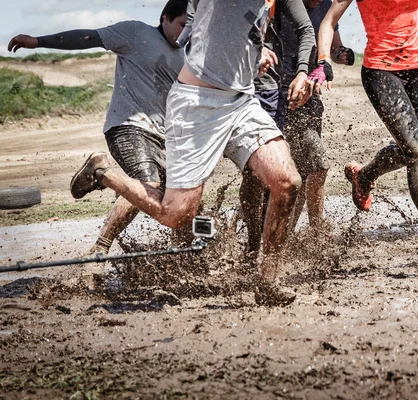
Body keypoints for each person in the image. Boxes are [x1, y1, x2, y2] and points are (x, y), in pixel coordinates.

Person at [69, 0, 303, 307]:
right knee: (177, 214)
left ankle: (266, 281)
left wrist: (253, 50)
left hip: (241, 101)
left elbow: (221, 30)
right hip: (196, 106)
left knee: (286, 181)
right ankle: (101, 174)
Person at [7, 0, 188, 255]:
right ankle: (99, 250)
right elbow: (88, 37)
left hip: (163, 138)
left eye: (191, 27)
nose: (186, 32)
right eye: (182, 24)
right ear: (166, 18)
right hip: (128, 126)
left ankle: (183, 254)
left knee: (183, 199)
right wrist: (38, 41)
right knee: (147, 183)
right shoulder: (136, 33)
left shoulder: (187, 54)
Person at [315, 0, 418, 267]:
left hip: (417, 70)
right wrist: (324, 60)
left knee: (412, 151)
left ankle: (365, 175)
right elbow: (328, 21)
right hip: (380, 73)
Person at [240, 0, 316, 255]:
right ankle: (188, 246)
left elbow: (306, 29)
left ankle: (255, 250)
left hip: (266, 88)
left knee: (259, 172)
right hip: (221, 86)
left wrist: (302, 72)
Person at [282, 0, 354, 231]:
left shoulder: (327, 6)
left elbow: (332, 47)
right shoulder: (282, 5)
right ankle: (289, 232)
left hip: (310, 96)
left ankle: (313, 230)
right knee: (291, 170)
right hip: (278, 94)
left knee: (312, 167)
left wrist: (341, 54)